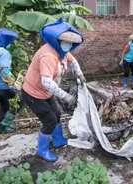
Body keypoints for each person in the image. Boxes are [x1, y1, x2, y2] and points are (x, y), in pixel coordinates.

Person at [21, 18, 86, 162]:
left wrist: (80, 74)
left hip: (46, 92)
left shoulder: (62, 51)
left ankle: (58, 140)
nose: (68, 45)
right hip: (33, 93)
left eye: (70, 43)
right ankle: (42, 149)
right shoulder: (48, 55)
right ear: (56, 40)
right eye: (66, 42)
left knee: (56, 114)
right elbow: (46, 81)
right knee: (49, 120)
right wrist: (65, 96)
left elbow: (73, 61)